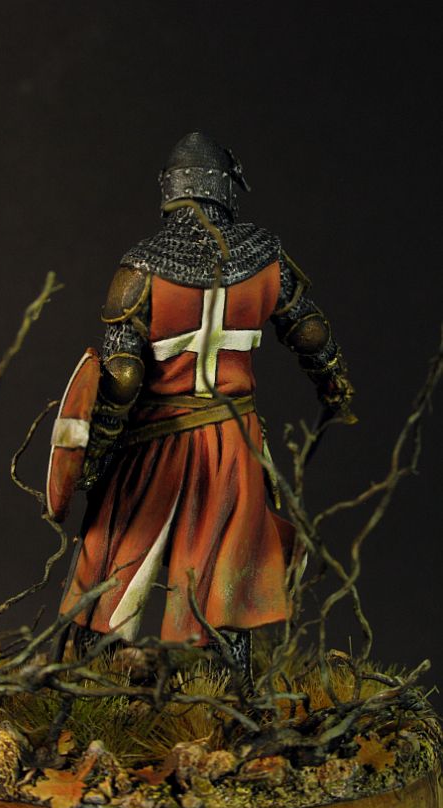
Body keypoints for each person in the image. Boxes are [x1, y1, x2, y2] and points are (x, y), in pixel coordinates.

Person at [49, 132, 355, 678]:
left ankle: (91, 671)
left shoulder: (142, 267)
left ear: (170, 190)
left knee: (116, 551)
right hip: (234, 442)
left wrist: (95, 453)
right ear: (225, 187)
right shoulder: (264, 256)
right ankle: (224, 682)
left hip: (154, 442)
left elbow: (123, 375)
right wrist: (333, 383)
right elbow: (308, 330)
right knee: (224, 562)